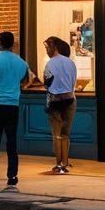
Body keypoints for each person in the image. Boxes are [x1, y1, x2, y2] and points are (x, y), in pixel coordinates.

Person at [0, 31, 29, 190]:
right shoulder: (21, 62)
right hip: (13, 105)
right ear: (12, 44)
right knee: (11, 143)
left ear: (0, 42)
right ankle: (12, 176)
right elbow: (25, 81)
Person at [43, 36, 77, 174]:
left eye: (47, 48)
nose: (46, 51)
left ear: (54, 47)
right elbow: (73, 81)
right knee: (65, 133)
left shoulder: (50, 63)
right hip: (70, 99)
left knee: (56, 134)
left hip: (55, 101)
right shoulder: (70, 62)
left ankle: (59, 164)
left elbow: (46, 82)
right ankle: (65, 162)